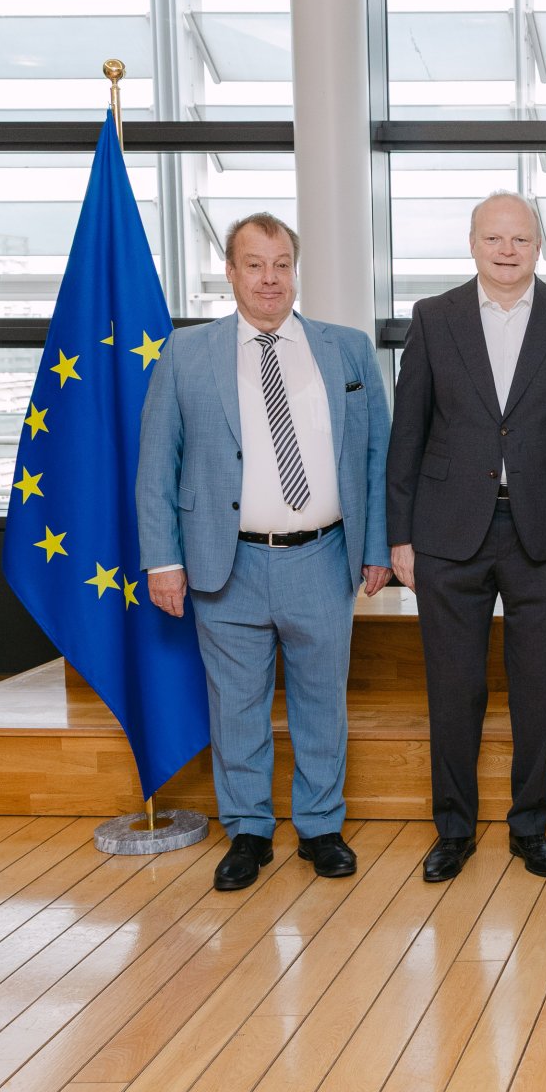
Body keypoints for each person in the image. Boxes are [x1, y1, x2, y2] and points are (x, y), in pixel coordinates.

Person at [137, 213, 389, 892]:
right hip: (227, 561)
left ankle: (320, 826)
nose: (269, 278)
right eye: (254, 264)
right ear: (230, 272)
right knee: (237, 704)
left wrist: (378, 546)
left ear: (294, 269)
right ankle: (248, 830)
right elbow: (158, 463)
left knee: (320, 701)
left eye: (281, 264)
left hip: (323, 557)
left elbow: (375, 454)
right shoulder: (187, 354)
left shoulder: (348, 350)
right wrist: (163, 559)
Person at [385, 192, 546, 884]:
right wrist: (400, 536)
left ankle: (529, 826)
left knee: (538, 689)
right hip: (448, 531)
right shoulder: (434, 318)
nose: (507, 250)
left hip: (545, 530)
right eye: (494, 238)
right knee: (453, 689)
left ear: (538, 245)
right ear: (473, 243)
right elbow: (409, 435)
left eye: (520, 239)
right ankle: (453, 828)